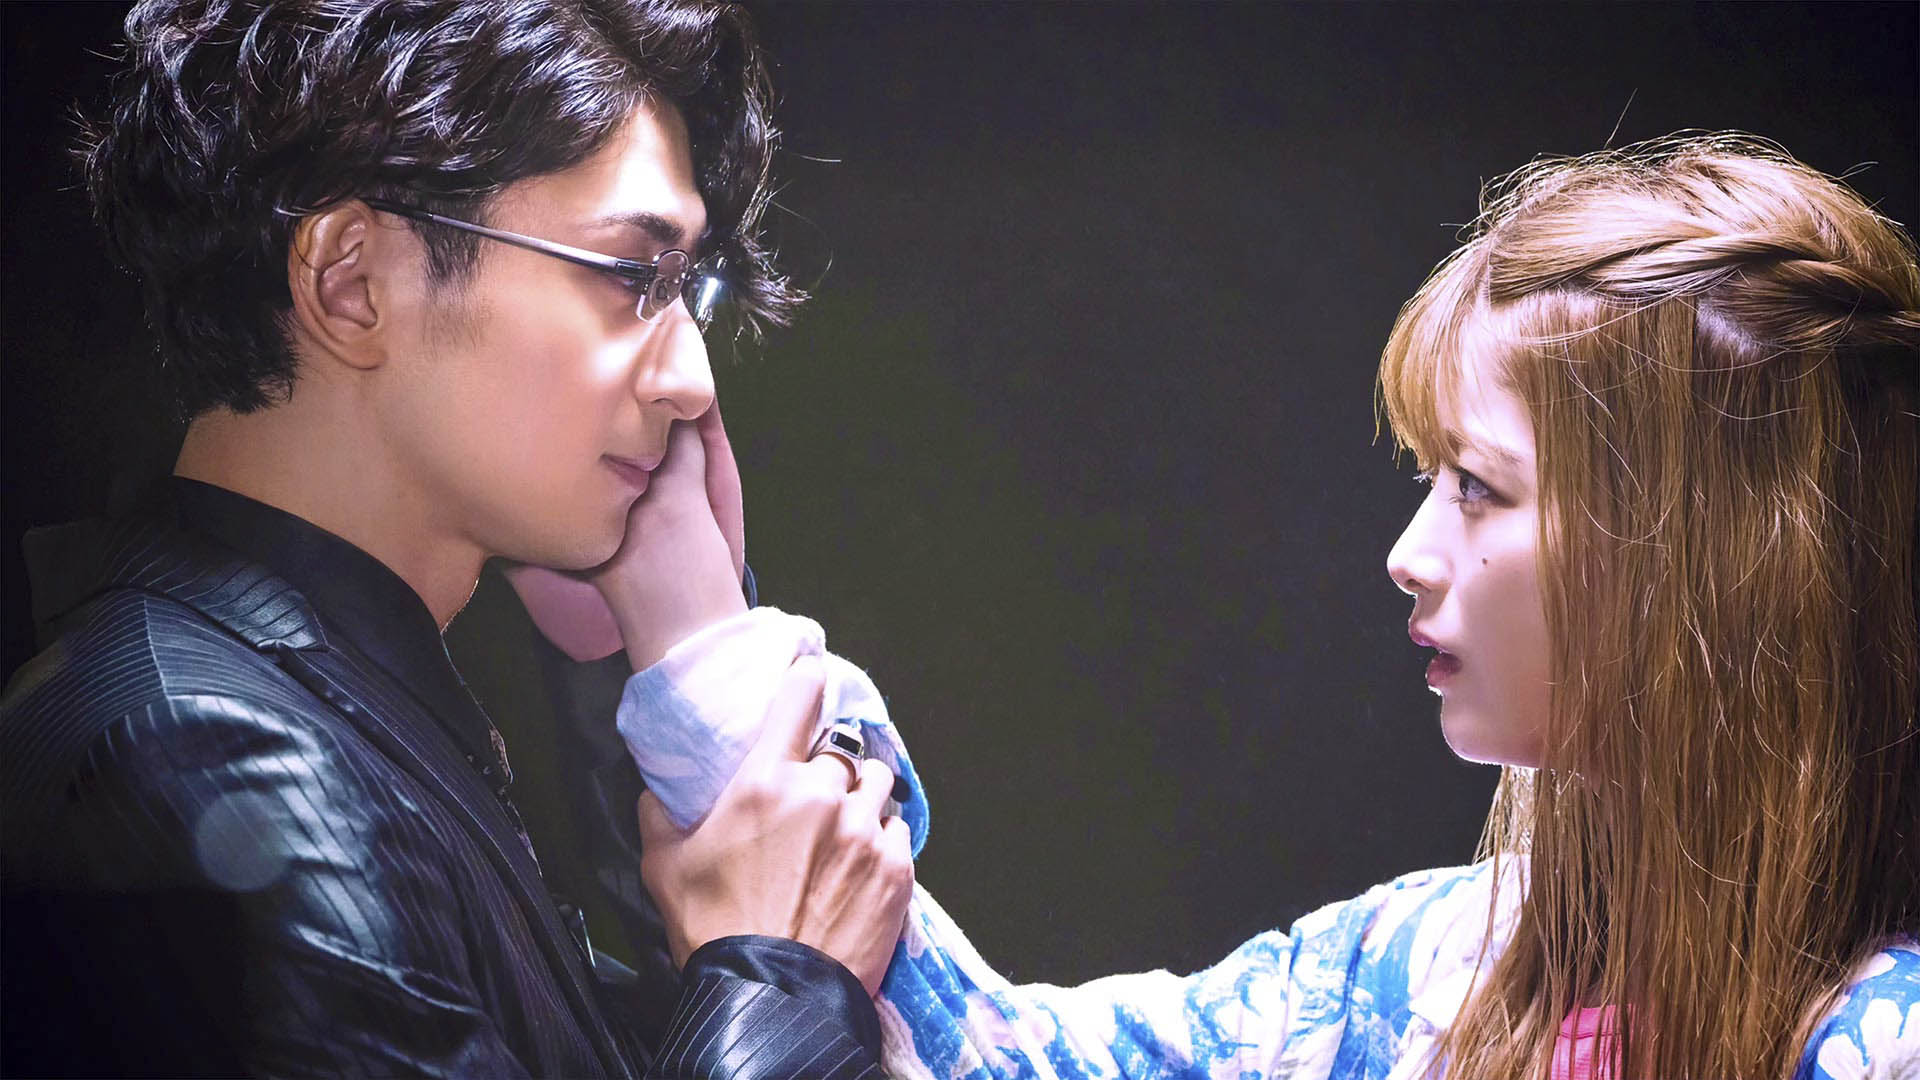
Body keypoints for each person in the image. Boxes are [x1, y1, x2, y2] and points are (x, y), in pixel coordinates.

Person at [551, 135, 1920, 1078]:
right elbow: (1005, 1062)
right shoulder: (1427, 969)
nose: (1410, 553)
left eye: (1481, 488)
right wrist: (693, 621)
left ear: (1700, 562)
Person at [0, 0, 911, 1076]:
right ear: (351, 282)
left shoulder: (321, 704)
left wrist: (677, 646)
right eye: (631, 277)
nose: (692, 379)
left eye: (684, 289)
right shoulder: (203, 756)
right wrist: (782, 973)